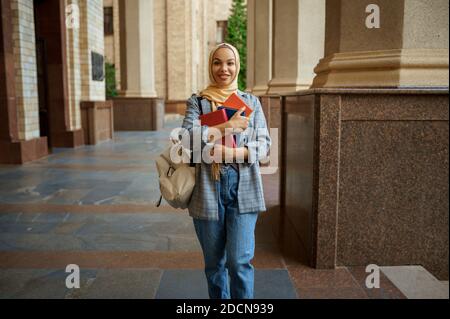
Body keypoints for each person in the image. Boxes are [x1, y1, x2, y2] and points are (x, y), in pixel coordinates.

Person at [181, 43, 271, 299]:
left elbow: (264, 144)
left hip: (244, 186)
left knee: (239, 261)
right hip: (207, 187)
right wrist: (225, 126)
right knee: (214, 264)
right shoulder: (198, 102)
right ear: (211, 66)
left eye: (230, 62)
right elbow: (186, 139)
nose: (224, 69)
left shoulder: (250, 101)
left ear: (237, 66)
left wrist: (234, 154)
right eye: (217, 62)